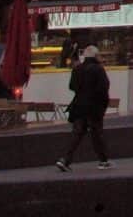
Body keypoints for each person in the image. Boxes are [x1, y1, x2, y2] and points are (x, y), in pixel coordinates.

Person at [54, 45, 111, 173]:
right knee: (96, 134)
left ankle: (65, 159)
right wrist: (103, 105)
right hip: (94, 107)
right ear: (96, 56)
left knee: (76, 134)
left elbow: (72, 86)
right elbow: (104, 88)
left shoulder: (77, 69)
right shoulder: (98, 69)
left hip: (78, 106)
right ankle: (103, 160)